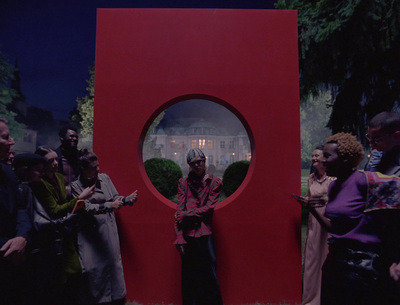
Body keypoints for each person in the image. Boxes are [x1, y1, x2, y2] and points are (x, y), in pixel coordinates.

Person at [300, 133, 400, 305]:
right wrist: (313, 209)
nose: (322, 160)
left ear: (345, 159)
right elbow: (334, 228)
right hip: (335, 261)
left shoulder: (366, 181)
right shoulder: (333, 187)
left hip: (363, 267)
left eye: (327, 155)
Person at [71, 152, 138, 305]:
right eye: (93, 167)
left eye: (98, 165)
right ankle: (97, 300)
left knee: (113, 264)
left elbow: (115, 197)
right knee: (92, 268)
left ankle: (116, 299)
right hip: (89, 232)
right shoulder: (76, 186)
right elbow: (85, 207)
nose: (98, 169)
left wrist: (127, 199)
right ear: (83, 168)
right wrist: (109, 205)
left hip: (107, 228)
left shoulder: (105, 178)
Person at [30, 146, 94, 305]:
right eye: (50, 161)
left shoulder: (59, 177)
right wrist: (80, 198)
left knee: (76, 271)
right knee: (59, 277)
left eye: (56, 159)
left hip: (66, 229)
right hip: (51, 233)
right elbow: (54, 210)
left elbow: (64, 203)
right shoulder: (40, 183)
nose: (55, 163)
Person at [174, 148, 223, 305]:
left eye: (199, 162)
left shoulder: (215, 183)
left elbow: (208, 209)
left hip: (205, 234)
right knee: (188, 276)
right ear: (189, 165)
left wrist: (187, 215)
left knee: (209, 274)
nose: (197, 165)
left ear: (205, 161)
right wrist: (180, 238)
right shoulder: (183, 183)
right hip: (188, 235)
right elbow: (179, 211)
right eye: (193, 163)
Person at [295, 145, 335, 305]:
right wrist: (304, 201)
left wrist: (325, 200)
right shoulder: (311, 177)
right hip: (313, 221)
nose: (314, 159)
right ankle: (310, 299)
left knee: (326, 257)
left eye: (317, 156)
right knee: (312, 259)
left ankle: (326, 297)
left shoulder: (333, 178)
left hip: (327, 220)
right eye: (312, 156)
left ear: (324, 158)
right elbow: (308, 197)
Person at [0, 119, 31, 305]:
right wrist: (8, 249)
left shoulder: (7, 173)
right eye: (5, 138)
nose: (12, 142)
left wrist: (22, 237)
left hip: (11, 270)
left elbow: (21, 208)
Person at [54, 125, 80, 196]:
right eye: (71, 136)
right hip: (59, 199)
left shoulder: (80, 157)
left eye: (76, 137)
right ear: (62, 137)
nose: (74, 139)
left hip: (78, 197)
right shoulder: (54, 157)